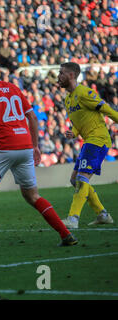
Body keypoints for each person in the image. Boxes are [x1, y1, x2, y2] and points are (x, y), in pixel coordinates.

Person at [0, 54, 78, 254]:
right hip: (24, 145)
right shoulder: (13, 87)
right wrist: (35, 146)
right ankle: (65, 234)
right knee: (32, 195)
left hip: (4, 146)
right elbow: (32, 117)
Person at [57, 62, 118, 229]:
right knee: (73, 179)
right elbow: (79, 120)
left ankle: (73, 218)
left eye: (61, 73)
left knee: (82, 178)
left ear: (71, 75)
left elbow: (104, 108)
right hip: (88, 140)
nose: (58, 76)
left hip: (98, 138)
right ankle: (102, 214)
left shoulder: (84, 92)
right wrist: (74, 132)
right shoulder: (68, 99)